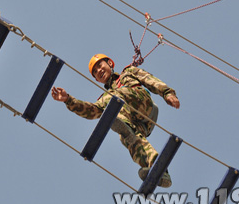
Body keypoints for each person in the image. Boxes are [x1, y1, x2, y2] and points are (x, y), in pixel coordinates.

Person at [51, 54, 180, 187]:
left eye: (100, 66)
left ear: (110, 64)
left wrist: (167, 93)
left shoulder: (127, 73)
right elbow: (91, 111)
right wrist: (68, 100)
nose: (99, 71)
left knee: (115, 100)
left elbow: (149, 79)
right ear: (96, 79)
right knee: (126, 137)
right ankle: (158, 170)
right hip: (135, 123)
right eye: (95, 72)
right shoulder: (104, 98)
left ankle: (122, 122)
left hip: (144, 105)